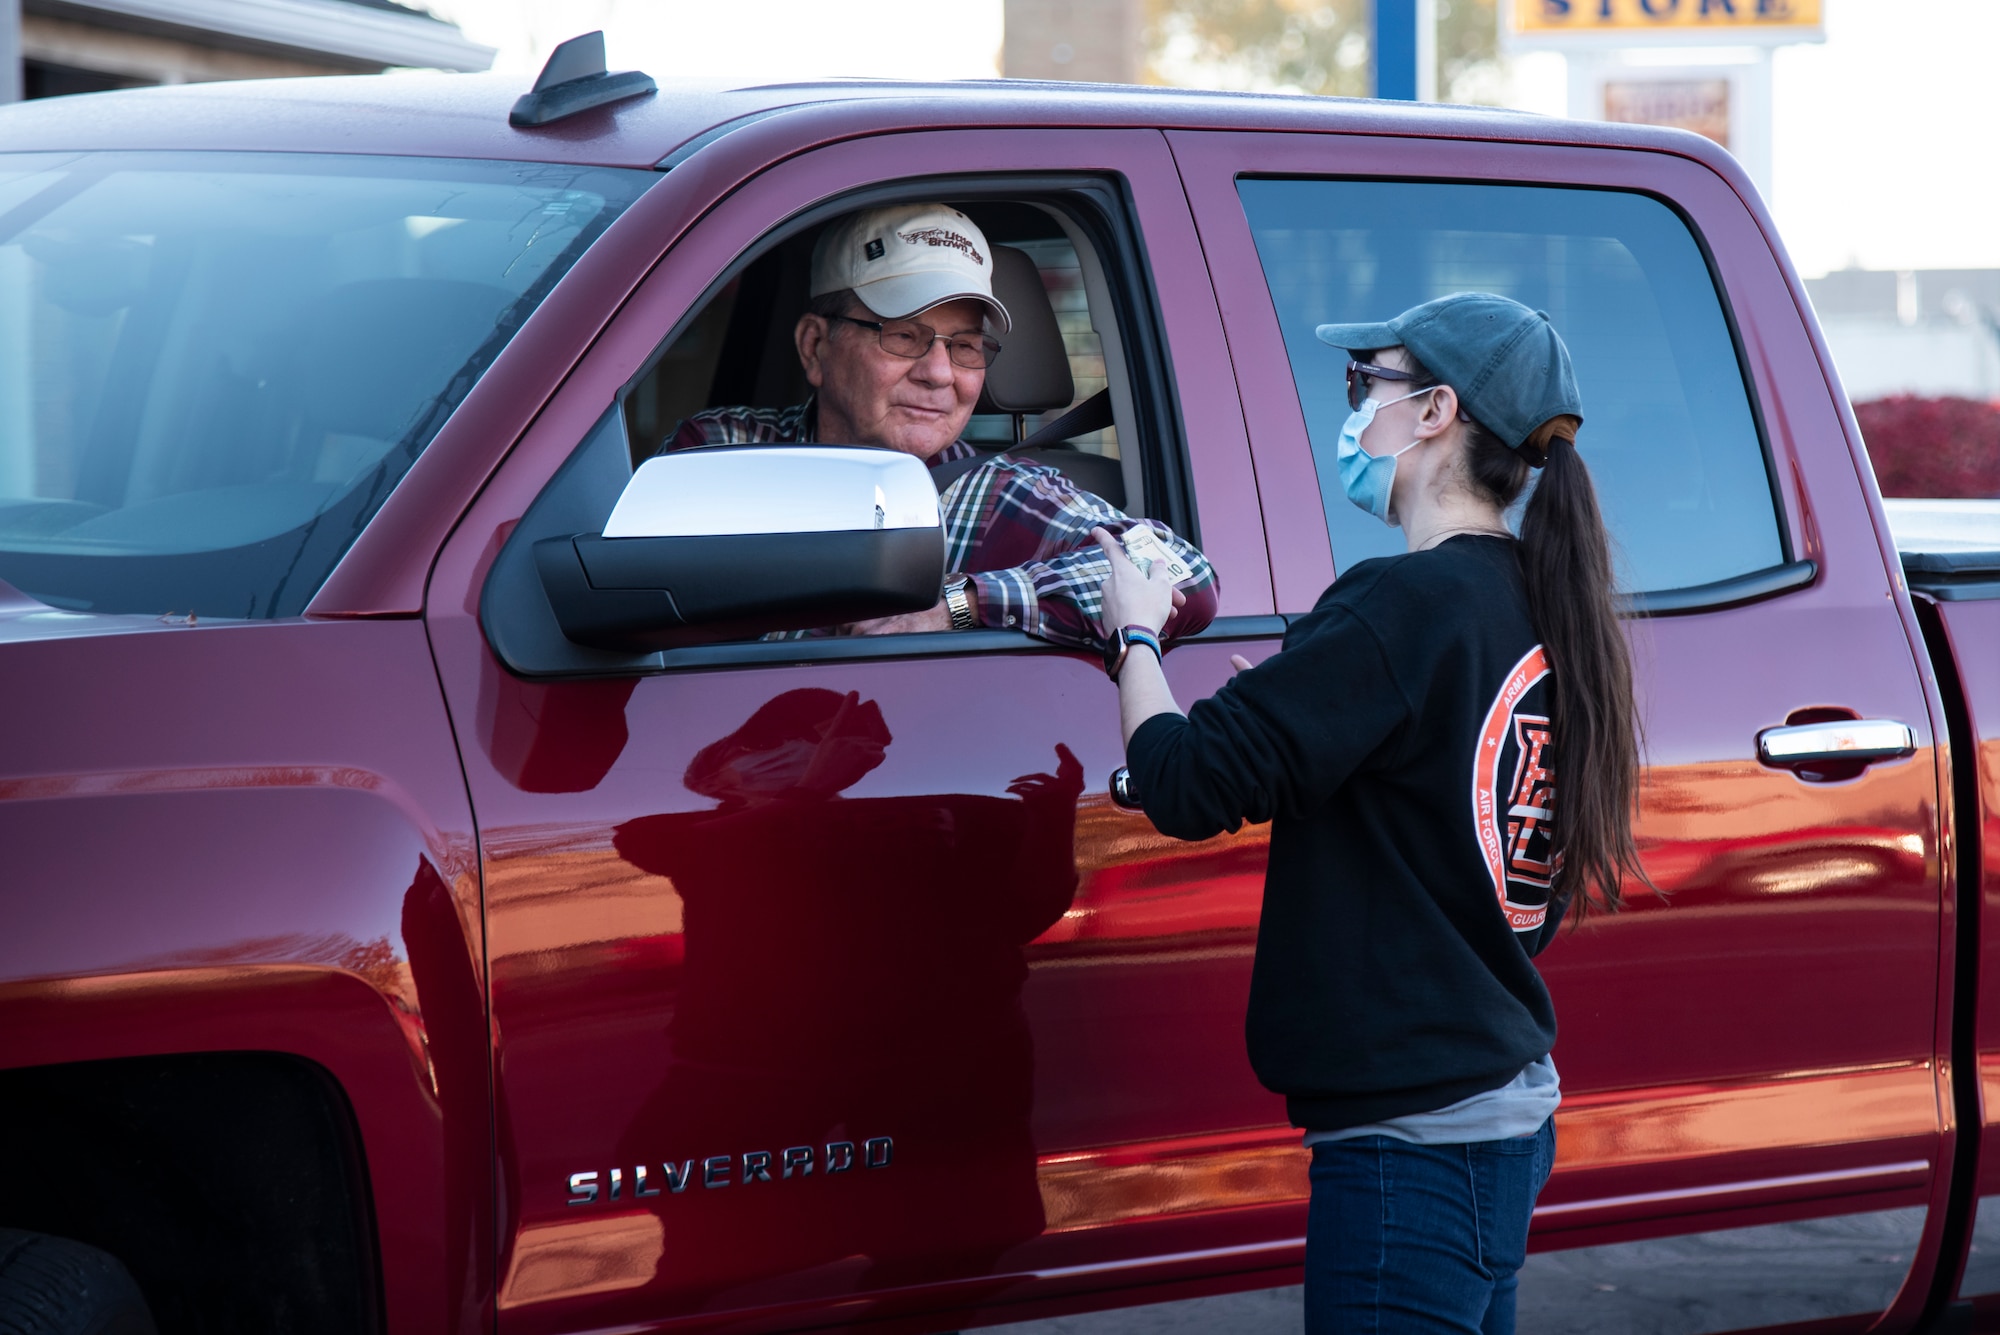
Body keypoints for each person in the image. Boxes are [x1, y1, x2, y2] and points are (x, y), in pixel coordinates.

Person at [1089, 293, 1650, 1334]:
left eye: (1366, 385)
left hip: (1410, 1154)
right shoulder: (1536, 602)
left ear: (1433, 411)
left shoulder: (1399, 606)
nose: (1351, 413)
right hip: (1500, 1118)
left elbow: (1181, 781)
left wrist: (1132, 634)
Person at [662, 202, 1216, 648]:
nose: (939, 374)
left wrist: (961, 605)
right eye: (903, 335)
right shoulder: (723, 448)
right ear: (815, 346)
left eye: (966, 346)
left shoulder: (1000, 493)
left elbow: (1180, 575)